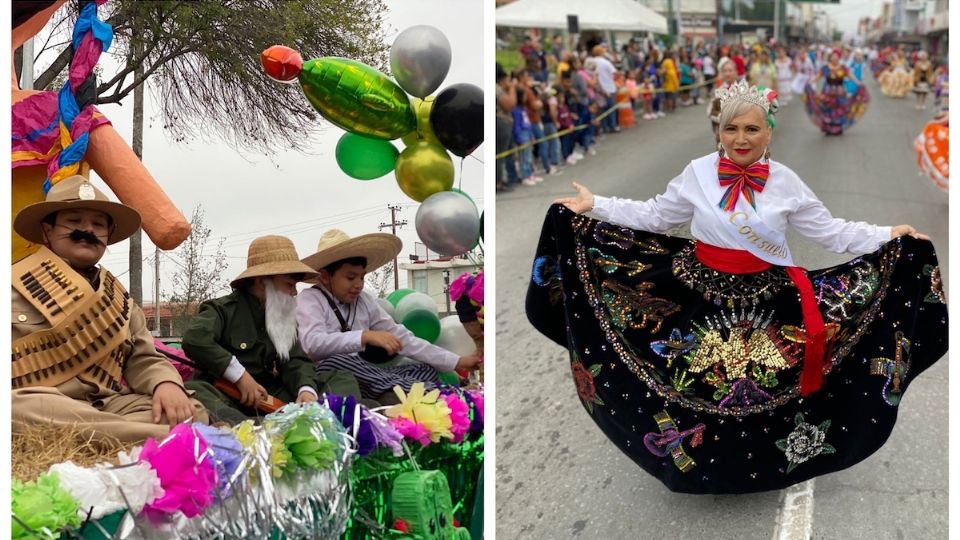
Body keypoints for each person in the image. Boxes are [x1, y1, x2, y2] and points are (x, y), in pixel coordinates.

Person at [528, 80, 946, 494]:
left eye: (751, 129)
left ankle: (755, 467)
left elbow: (832, 233)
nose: (740, 139)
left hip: (767, 294)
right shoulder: (697, 173)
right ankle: (701, 468)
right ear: (718, 132)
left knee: (764, 387)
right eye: (731, 129)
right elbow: (656, 216)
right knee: (695, 384)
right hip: (697, 291)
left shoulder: (786, 182)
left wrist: (890, 234)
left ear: (768, 133)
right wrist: (595, 205)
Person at [12, 175, 208, 443]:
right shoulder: (13, 285)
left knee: (191, 411)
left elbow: (143, 359)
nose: (88, 230)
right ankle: (154, 437)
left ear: (108, 235)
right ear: (48, 230)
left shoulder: (122, 302)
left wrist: (167, 383)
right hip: (43, 403)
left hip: (107, 405)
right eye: (74, 221)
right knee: (15, 409)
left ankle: (101, 435)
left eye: (98, 224)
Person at [182, 235, 363, 424]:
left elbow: (295, 361)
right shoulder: (221, 310)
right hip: (227, 394)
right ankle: (250, 429)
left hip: (269, 395)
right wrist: (240, 377)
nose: (294, 293)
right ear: (262, 282)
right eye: (289, 284)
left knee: (341, 378)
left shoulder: (283, 316)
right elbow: (195, 339)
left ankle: (315, 418)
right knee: (195, 390)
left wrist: (306, 390)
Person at [297, 230, 482, 401]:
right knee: (341, 362)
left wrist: (456, 361)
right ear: (325, 277)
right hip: (330, 376)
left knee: (424, 368)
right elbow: (311, 344)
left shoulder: (364, 301)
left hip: (367, 374)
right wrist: (365, 336)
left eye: (362, 277)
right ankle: (433, 393)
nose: (358, 284)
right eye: (350, 277)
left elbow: (402, 338)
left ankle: (415, 388)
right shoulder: (310, 299)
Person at [804, 50, 868, 135]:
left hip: (840, 92)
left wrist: (859, 83)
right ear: (830, 58)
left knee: (839, 110)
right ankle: (828, 128)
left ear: (839, 58)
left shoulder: (843, 68)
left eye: (836, 56)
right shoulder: (825, 68)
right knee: (827, 110)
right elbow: (817, 77)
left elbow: (852, 77)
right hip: (827, 92)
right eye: (833, 56)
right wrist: (810, 82)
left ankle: (838, 128)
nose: (834, 58)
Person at [708, 57, 738, 141]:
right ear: (721, 73)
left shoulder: (743, 89)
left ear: (736, 72)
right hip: (723, 132)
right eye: (725, 71)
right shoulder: (717, 92)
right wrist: (721, 118)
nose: (727, 74)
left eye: (730, 70)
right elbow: (711, 112)